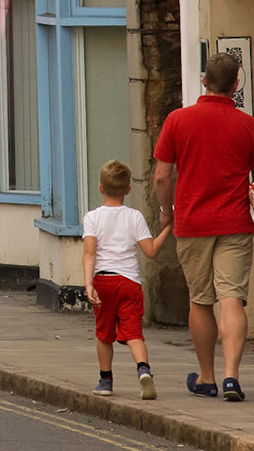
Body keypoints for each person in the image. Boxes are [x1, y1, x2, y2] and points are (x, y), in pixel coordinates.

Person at [153, 51, 254, 402]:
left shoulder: (178, 120)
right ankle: (232, 376)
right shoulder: (248, 125)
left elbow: (161, 176)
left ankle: (207, 377)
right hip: (235, 222)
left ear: (204, 81)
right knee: (231, 298)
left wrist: (166, 211)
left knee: (201, 301)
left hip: (193, 221)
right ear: (235, 86)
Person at [83, 159, 173, 398]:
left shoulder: (92, 218)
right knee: (133, 334)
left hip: (103, 281)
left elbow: (89, 252)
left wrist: (89, 283)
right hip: (130, 283)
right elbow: (151, 250)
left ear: (100, 188)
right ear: (128, 189)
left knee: (104, 334)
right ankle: (143, 370)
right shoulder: (135, 217)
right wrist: (168, 228)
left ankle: (105, 381)